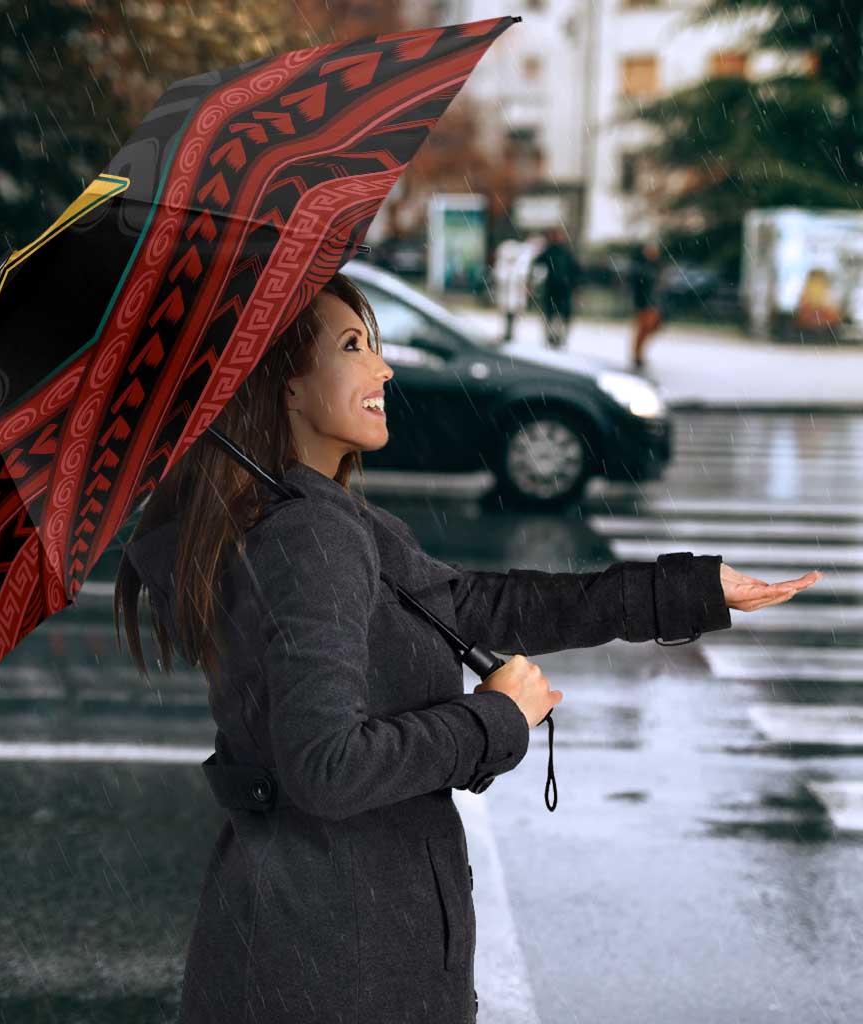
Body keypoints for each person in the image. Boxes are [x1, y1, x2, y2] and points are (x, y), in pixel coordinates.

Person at [115, 271, 815, 1024]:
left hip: (322, 943)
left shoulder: (317, 517)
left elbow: (479, 605)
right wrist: (495, 719)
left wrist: (689, 591)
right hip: (337, 963)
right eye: (353, 346)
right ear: (284, 384)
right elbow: (326, 768)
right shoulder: (308, 537)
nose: (383, 368)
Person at [531, 226, 581, 349]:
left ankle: (558, 337)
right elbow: (537, 264)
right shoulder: (551, 251)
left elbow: (575, 270)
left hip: (562, 288)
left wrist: (574, 284)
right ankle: (552, 337)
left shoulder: (564, 252)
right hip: (554, 288)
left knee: (559, 315)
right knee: (552, 314)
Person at [629, 239, 665, 370]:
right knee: (643, 329)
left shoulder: (656, 266)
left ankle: (638, 354)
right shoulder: (641, 267)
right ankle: (637, 355)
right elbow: (638, 286)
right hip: (644, 303)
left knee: (651, 328)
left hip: (653, 303)